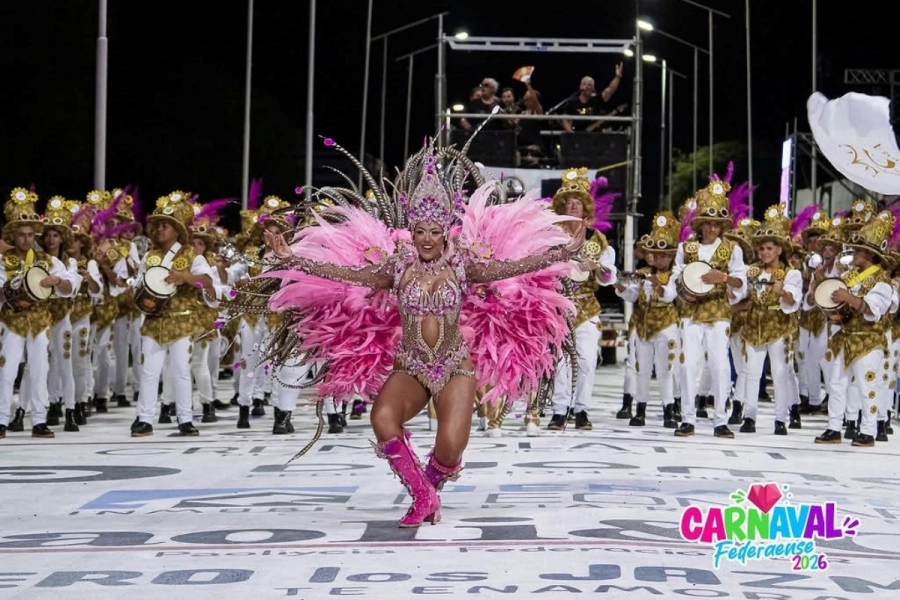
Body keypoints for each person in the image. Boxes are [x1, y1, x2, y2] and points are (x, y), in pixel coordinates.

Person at [259, 140, 581, 527]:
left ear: (445, 231)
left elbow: (513, 266)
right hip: (410, 366)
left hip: (454, 366)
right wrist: (294, 259)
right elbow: (347, 275)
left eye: (434, 231)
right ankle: (423, 496)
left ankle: (428, 487)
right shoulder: (397, 267)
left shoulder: (463, 265)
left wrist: (560, 253)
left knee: (450, 448)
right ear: (411, 231)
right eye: (420, 231)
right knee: (382, 418)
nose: (427, 239)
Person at [667, 166, 749, 438]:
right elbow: (676, 276)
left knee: (720, 366)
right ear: (700, 224)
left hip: (718, 311)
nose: (712, 228)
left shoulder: (732, 249)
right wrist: (685, 290)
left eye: (716, 223)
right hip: (690, 310)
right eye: (708, 223)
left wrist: (722, 277)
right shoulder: (686, 248)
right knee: (688, 364)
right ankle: (687, 419)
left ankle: (720, 421)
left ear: (722, 226)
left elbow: (741, 281)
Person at [546, 169, 619, 431]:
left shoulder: (598, 240)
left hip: (587, 307)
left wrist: (596, 267)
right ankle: (559, 410)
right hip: (559, 307)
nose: (573, 206)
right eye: (569, 202)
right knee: (560, 362)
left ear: (585, 207)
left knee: (587, 360)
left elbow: (609, 276)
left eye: (578, 202)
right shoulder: (551, 238)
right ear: (562, 207)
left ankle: (581, 410)